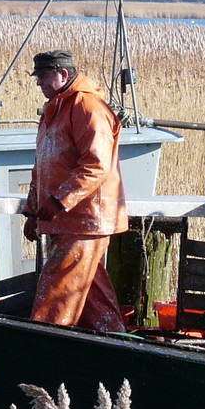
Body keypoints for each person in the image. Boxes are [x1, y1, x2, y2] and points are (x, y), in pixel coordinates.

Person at [23, 49, 128, 332]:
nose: (39, 83)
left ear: (63, 74)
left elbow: (96, 164)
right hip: (68, 221)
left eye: (44, 76)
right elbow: (42, 167)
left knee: (55, 299)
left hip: (85, 222)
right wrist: (33, 212)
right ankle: (118, 349)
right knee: (95, 304)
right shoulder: (55, 110)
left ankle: (39, 351)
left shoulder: (87, 107)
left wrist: (59, 201)